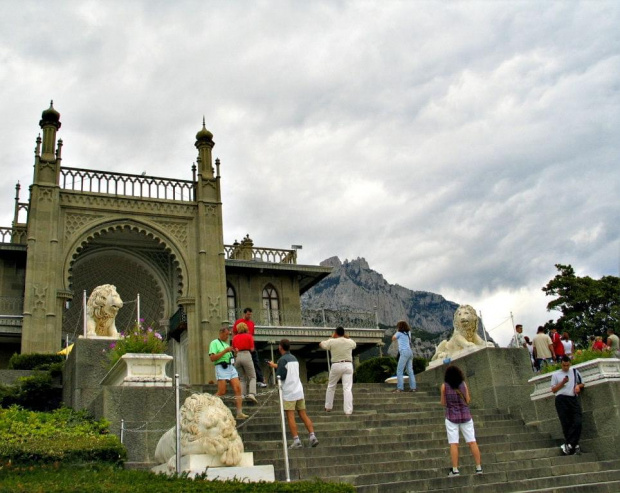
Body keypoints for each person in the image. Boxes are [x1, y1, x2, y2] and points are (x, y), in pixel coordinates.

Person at [268, 339, 319, 448]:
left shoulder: (282, 360)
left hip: (289, 392)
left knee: (290, 416)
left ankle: (296, 440)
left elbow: (280, 375)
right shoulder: (294, 358)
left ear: (280, 347)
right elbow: (288, 369)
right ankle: (312, 436)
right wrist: (274, 365)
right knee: (303, 414)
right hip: (298, 390)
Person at [440, 365, 483, 476]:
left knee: (454, 443)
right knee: (472, 441)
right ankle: (478, 468)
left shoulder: (444, 386)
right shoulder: (463, 384)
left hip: (451, 417)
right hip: (465, 415)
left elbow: (443, 402)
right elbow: (468, 399)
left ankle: (455, 469)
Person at [209, 326, 248, 420]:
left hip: (230, 367)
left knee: (238, 389)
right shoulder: (214, 343)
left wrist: (235, 353)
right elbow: (212, 358)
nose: (227, 337)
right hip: (221, 367)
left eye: (228, 335)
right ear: (221, 333)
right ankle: (209, 404)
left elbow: (231, 357)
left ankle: (239, 412)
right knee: (222, 391)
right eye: (226, 334)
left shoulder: (227, 345)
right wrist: (225, 351)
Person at [551, 355, 585, 455]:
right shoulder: (556, 374)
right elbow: (553, 390)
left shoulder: (574, 372)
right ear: (561, 364)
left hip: (572, 398)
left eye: (567, 365)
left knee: (577, 421)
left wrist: (578, 386)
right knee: (566, 423)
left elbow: (582, 383)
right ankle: (574, 445)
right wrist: (563, 382)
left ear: (570, 363)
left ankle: (569, 445)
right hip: (561, 399)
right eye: (564, 365)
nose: (566, 367)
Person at [320, 326, 356, 415]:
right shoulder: (350, 341)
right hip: (348, 364)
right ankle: (348, 410)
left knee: (331, 386)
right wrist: (346, 337)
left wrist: (332, 337)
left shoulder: (332, 341)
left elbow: (321, 344)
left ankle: (328, 406)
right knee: (347, 388)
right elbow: (354, 344)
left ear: (336, 333)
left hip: (336, 365)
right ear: (344, 333)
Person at [233, 307, 267, 387]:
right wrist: (235, 346)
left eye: (250, 314)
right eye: (248, 314)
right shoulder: (238, 322)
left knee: (256, 362)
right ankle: (236, 380)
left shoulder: (251, 323)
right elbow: (234, 333)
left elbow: (252, 335)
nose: (249, 316)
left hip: (250, 346)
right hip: (241, 348)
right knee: (240, 366)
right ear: (244, 314)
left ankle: (260, 380)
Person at [232, 322, 258, 404]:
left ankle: (242, 394)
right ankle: (251, 393)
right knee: (252, 377)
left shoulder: (235, 337)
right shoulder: (249, 336)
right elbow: (252, 348)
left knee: (242, 378)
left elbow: (234, 348)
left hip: (238, 356)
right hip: (246, 354)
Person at [392, 321, 417, 393]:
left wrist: (397, 331)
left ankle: (400, 388)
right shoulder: (408, 333)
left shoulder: (398, 333)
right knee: (410, 371)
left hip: (404, 352)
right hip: (410, 352)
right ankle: (413, 388)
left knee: (399, 371)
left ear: (399, 327)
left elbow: (393, 338)